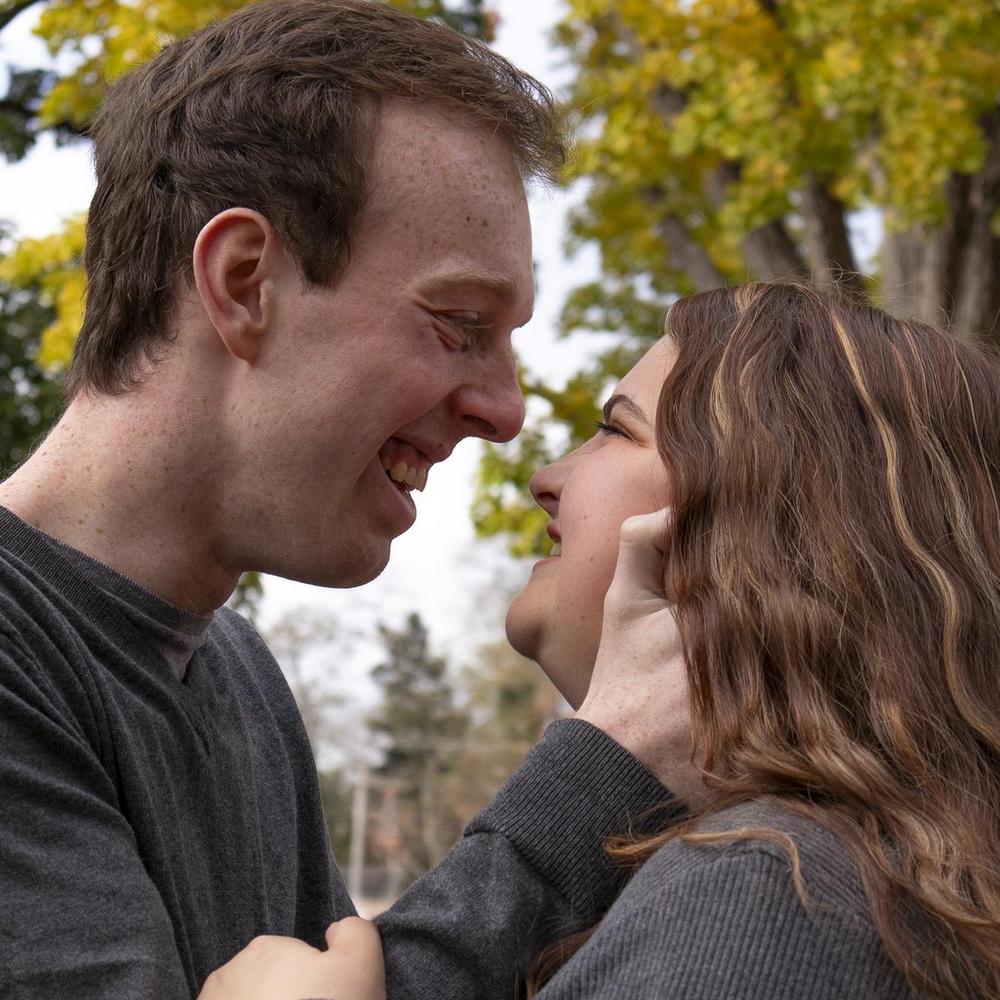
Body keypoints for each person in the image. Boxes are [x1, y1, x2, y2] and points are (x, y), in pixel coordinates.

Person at [0, 3, 693, 997]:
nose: (507, 412)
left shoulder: (238, 673)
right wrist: (605, 773)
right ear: (244, 282)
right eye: (458, 323)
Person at [233, 282, 1000, 998]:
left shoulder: (767, 896)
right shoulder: (864, 885)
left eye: (614, 429)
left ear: (747, 534)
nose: (545, 476)